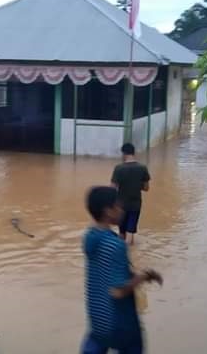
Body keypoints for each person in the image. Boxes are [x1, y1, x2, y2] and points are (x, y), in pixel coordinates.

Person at [81, 186, 163, 354]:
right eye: (118, 206)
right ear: (108, 212)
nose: (122, 209)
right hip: (120, 322)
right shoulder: (116, 245)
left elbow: (104, 272)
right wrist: (145, 276)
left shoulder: (89, 236)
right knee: (133, 346)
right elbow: (118, 291)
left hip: (97, 317)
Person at [111, 143, 150, 244]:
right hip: (135, 205)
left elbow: (112, 188)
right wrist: (136, 185)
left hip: (121, 205)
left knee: (121, 233)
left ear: (124, 154)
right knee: (130, 232)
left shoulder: (119, 168)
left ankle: (121, 253)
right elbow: (146, 188)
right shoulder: (142, 168)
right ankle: (131, 255)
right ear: (134, 153)